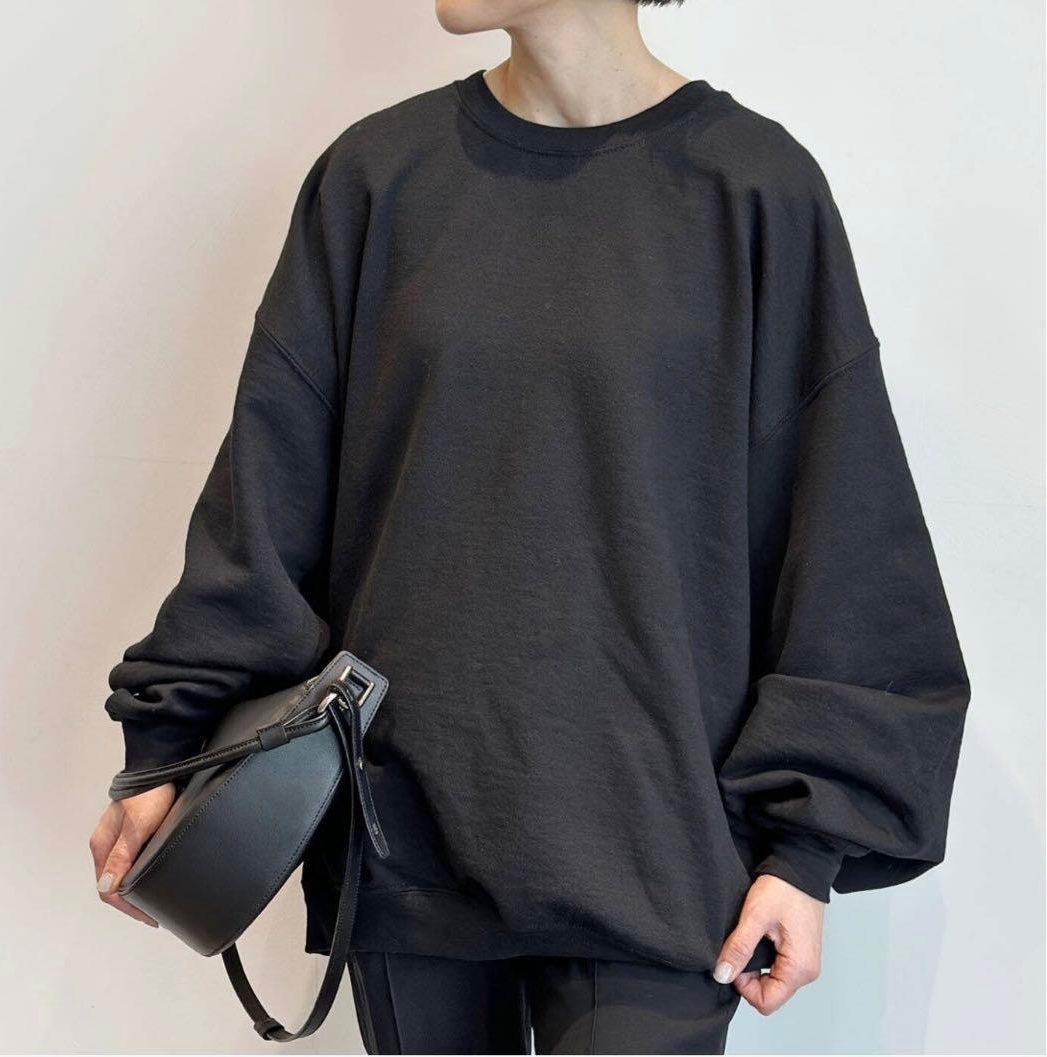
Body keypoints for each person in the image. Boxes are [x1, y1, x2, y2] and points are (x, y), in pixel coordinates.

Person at [89, 0, 971, 1053]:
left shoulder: (754, 190)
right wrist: (168, 747)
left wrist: (806, 846)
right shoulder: (377, 180)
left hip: (660, 853)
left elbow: (843, 538)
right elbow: (266, 501)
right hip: (409, 840)